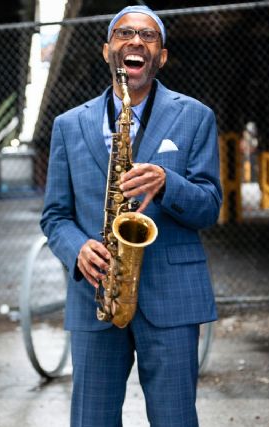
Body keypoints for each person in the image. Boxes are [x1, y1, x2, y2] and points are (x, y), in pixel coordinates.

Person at [40, 5, 222, 426]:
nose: (135, 41)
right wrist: (77, 249)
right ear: (107, 50)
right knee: (92, 420)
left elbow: (209, 206)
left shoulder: (196, 117)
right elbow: (54, 216)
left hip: (172, 296)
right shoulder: (69, 125)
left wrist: (166, 182)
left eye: (148, 36)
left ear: (161, 56)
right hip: (97, 294)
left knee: (175, 418)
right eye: (123, 34)